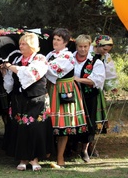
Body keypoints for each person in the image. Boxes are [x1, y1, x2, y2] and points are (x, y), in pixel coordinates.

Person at [2, 33, 53, 171]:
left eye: (23, 44)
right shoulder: (18, 59)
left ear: (31, 45)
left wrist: (11, 67)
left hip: (37, 98)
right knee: (21, 128)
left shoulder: (40, 59)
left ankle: (34, 158)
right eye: (20, 44)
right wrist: (5, 72)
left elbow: (31, 73)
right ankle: (23, 158)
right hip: (19, 99)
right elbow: (10, 82)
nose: (20, 46)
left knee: (36, 127)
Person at [45, 28, 88, 168]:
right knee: (50, 122)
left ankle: (60, 157)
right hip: (51, 89)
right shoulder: (50, 54)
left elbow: (54, 69)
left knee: (63, 124)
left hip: (64, 90)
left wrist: (38, 65)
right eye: (54, 39)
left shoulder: (68, 56)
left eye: (58, 40)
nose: (55, 42)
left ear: (65, 42)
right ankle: (47, 152)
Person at [73, 34, 106, 162]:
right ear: (76, 46)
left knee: (88, 121)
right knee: (73, 119)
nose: (82, 49)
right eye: (80, 46)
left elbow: (96, 80)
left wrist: (78, 80)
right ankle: (71, 147)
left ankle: (84, 149)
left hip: (88, 95)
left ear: (89, 46)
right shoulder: (69, 58)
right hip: (72, 94)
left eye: (85, 46)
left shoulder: (95, 61)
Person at [88, 34, 118, 156]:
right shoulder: (87, 53)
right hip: (83, 87)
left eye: (108, 51)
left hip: (96, 90)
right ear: (97, 45)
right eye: (104, 49)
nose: (106, 53)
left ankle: (91, 146)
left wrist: (112, 86)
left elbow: (110, 72)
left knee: (95, 119)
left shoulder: (106, 57)